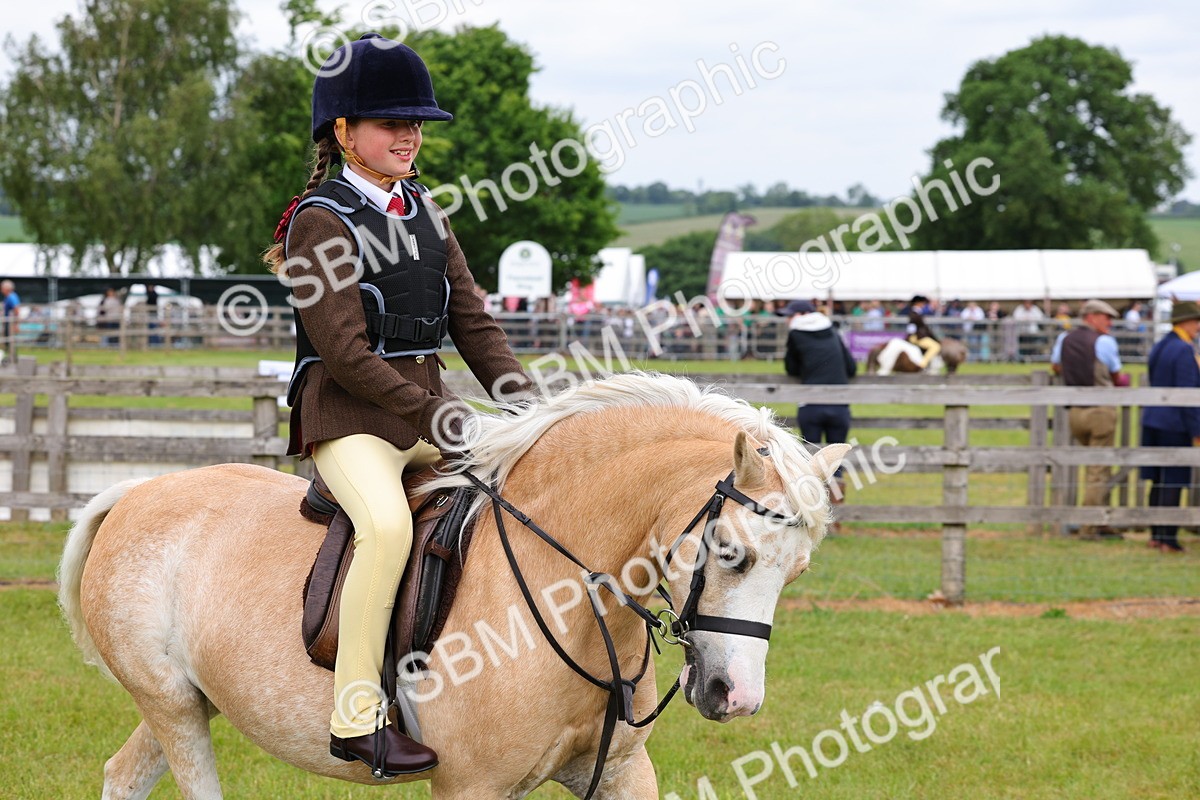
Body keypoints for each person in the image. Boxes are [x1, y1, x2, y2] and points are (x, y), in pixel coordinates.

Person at [263, 33, 535, 778]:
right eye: (391, 123)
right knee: (384, 529)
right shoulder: (319, 220)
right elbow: (347, 355)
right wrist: (434, 415)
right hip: (350, 420)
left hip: (423, 414)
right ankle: (356, 718)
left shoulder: (425, 207)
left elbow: (473, 322)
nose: (409, 135)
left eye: (416, 124)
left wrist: (534, 411)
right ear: (344, 132)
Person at [1050, 299, 1126, 539]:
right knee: (1097, 471)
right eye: (1106, 318)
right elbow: (1116, 375)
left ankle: (1099, 520)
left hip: (1076, 412)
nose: (1109, 323)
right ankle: (1089, 526)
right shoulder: (1104, 342)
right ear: (1092, 317)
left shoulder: (1065, 339)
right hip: (1100, 410)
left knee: (1094, 468)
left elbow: (1055, 366)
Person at [782, 299, 856, 504]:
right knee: (836, 461)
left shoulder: (796, 334)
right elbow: (851, 368)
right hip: (839, 405)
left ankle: (812, 512)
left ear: (802, 315)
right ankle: (837, 514)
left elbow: (791, 368)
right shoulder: (832, 330)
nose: (788, 320)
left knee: (809, 462)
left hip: (811, 405)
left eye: (790, 316)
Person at [1140, 301, 1200, 553]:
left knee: (1157, 479)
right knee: (1173, 480)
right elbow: (1187, 395)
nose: (1198, 327)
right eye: (1196, 321)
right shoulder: (1184, 350)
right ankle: (1168, 538)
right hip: (1174, 422)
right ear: (1185, 322)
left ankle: (1156, 534)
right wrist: (1196, 429)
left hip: (1153, 417)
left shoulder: (1160, 346)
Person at [1, 279, 19, 345]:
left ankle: (11, 355)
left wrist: (16, 324)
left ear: (7, 289)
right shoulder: (9, 297)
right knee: (8, 341)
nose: (1, 290)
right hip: (8, 321)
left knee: (9, 340)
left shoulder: (11, 297)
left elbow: (16, 310)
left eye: (2, 288)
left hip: (10, 322)